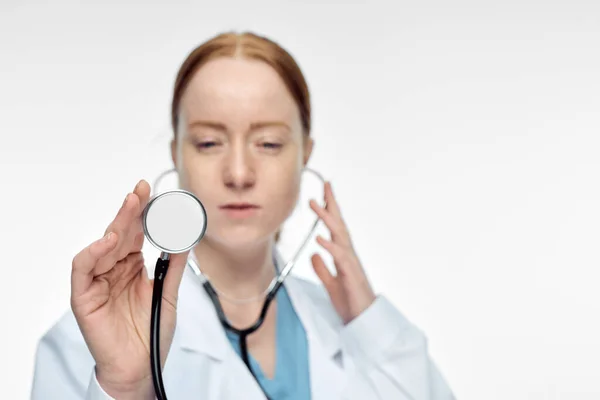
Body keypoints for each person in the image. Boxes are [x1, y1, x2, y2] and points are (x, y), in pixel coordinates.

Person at [30, 31, 455, 400]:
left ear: (305, 154)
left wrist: (371, 327)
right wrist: (122, 389)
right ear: (175, 154)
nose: (238, 173)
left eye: (268, 143)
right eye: (209, 143)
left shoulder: (356, 330)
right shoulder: (92, 336)